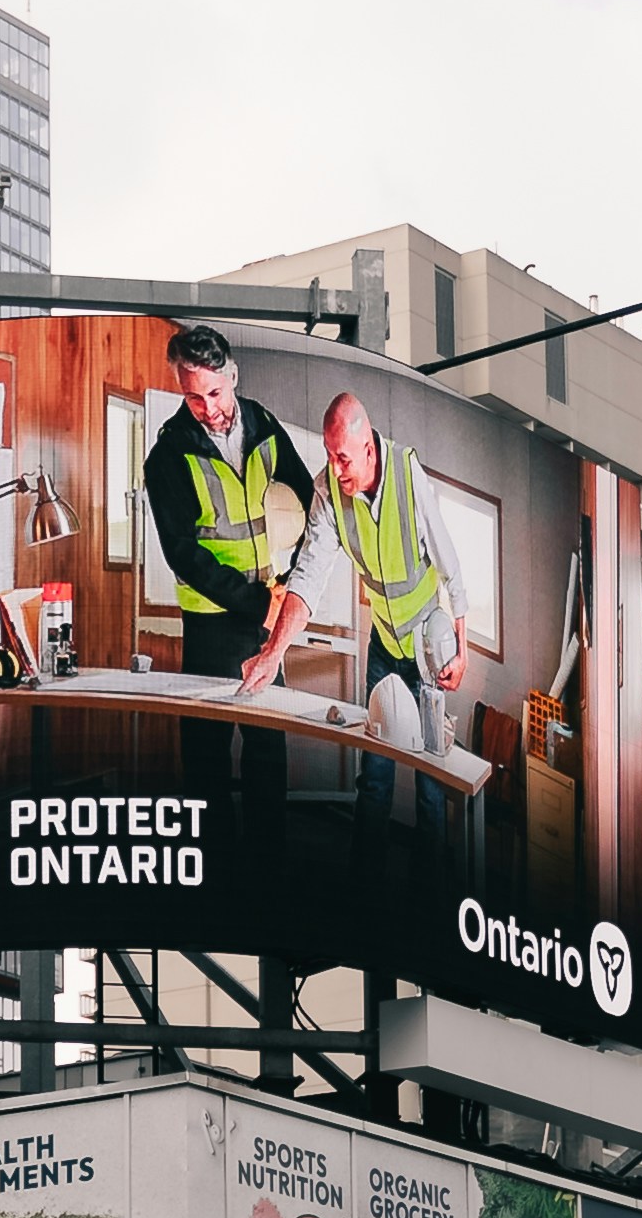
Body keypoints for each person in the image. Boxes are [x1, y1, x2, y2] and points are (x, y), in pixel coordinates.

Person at [250, 391, 472, 865]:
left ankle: (429, 898)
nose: (336, 467)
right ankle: (364, 888)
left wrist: (463, 649)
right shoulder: (329, 492)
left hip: (427, 652)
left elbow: (450, 565)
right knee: (375, 772)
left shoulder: (409, 476)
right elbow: (308, 576)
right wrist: (274, 653)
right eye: (330, 456)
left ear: (369, 448)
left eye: (343, 457)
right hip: (384, 648)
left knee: (431, 780)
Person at [140, 328, 316, 834]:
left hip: (266, 620)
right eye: (192, 396)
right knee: (206, 757)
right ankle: (213, 875)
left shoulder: (263, 424)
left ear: (232, 376)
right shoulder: (168, 456)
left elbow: (309, 502)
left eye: (214, 392)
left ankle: (268, 872)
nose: (207, 407)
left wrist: (287, 582)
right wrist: (260, 604)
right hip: (210, 624)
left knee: (268, 750)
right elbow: (185, 557)